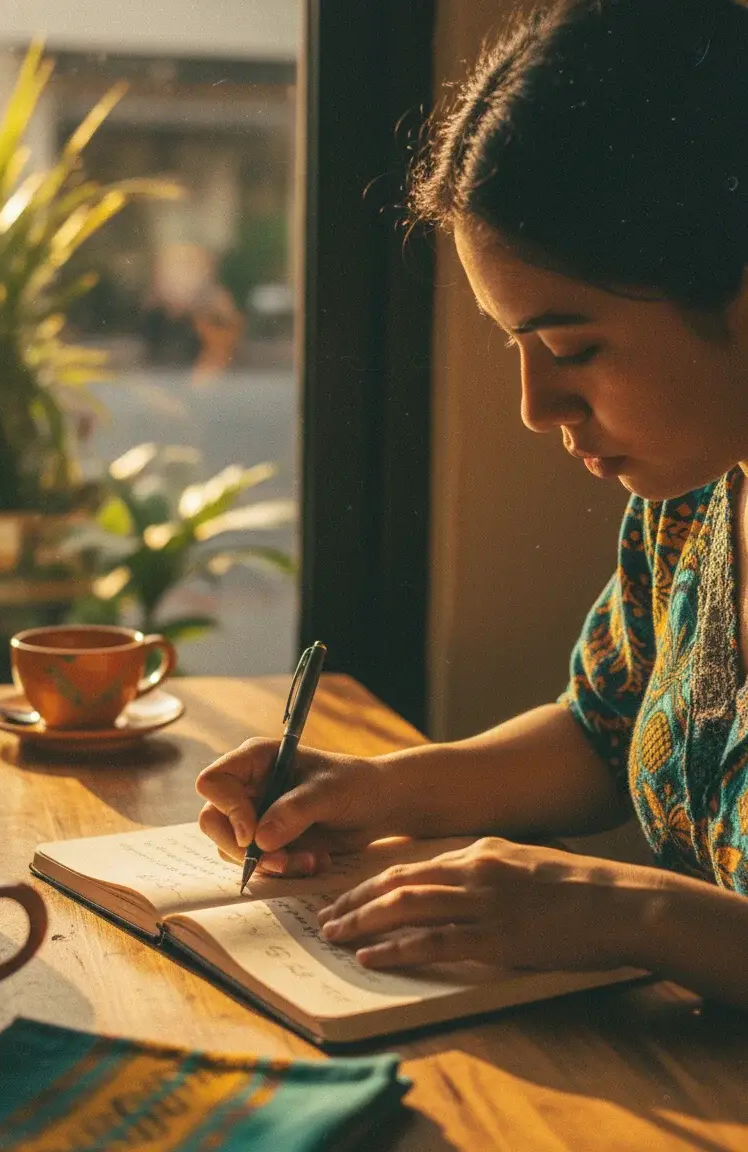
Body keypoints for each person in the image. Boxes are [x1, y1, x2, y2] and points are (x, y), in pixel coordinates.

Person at [196, 0, 748, 1007]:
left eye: (572, 348)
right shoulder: (694, 502)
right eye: (517, 349)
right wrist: (373, 792)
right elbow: (602, 731)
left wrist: (630, 914)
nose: (537, 409)